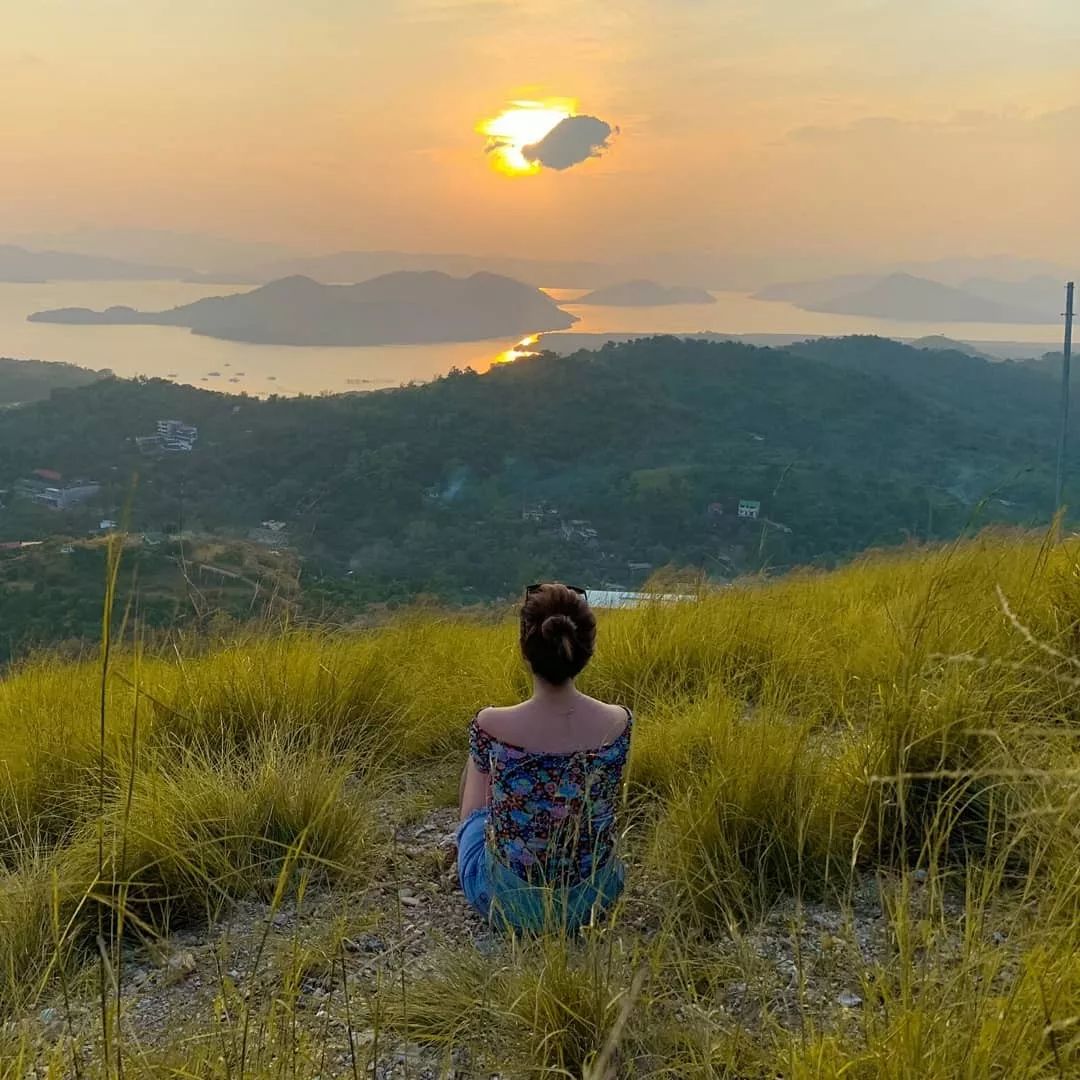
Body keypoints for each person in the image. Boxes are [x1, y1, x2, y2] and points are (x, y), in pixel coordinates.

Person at [457, 582, 633, 932]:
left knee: (479, 783)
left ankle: (476, 852)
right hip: (594, 899)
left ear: (525, 650)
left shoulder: (491, 723)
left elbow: (476, 807)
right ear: (587, 651)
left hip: (507, 902)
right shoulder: (619, 722)